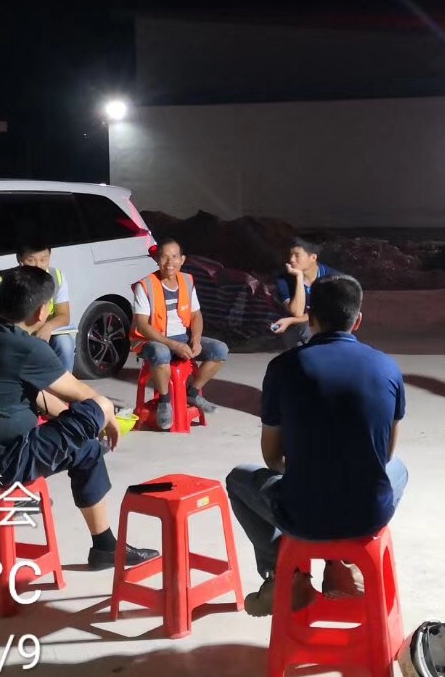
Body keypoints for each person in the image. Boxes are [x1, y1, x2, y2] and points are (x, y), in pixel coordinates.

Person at [0, 265, 157, 571]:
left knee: (87, 448)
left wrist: (79, 424)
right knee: (99, 405)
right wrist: (106, 413)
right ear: (42, 311)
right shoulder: (25, 346)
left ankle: (105, 547)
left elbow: (41, 396)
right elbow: (83, 395)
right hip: (1, 464)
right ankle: (105, 546)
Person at [226, 274, 408, 616]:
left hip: (302, 515)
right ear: (357, 320)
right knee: (399, 470)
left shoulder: (283, 368)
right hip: (367, 514)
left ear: (310, 318)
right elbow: (386, 454)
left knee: (238, 479)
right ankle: (342, 565)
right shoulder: (387, 366)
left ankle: (284, 574)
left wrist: (310, 467)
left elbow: (272, 457)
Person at [131, 237, 229, 425]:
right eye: (164, 257)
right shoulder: (145, 285)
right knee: (160, 353)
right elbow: (142, 325)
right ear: (157, 260)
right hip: (154, 340)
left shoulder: (187, 280)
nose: (170, 262)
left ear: (182, 260)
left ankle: (192, 393)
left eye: (174, 257)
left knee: (220, 350)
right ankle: (164, 401)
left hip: (183, 337)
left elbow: (196, 315)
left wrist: (196, 339)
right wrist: (174, 345)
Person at [0, 245, 76, 373]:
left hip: (45, 331)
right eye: (31, 260)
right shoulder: (3, 281)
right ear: (19, 259)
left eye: (43, 260)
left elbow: (64, 315)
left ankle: (64, 380)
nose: (38, 266)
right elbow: (3, 319)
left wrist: (47, 327)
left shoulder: (56, 276)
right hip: (19, 333)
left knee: (65, 343)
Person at [269, 238, 340, 348]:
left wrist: (291, 320)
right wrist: (299, 277)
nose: (291, 259)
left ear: (313, 258)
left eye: (297, 255)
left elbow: (324, 313)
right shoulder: (283, 280)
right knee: (303, 329)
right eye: (291, 255)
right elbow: (297, 312)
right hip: (295, 329)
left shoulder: (333, 279)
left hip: (326, 326)